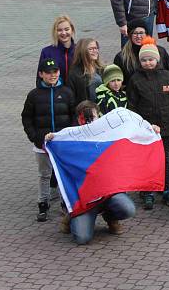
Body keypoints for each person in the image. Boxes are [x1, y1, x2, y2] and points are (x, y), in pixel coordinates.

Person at [46, 101, 137, 243]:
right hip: (84, 199)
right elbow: (53, 152)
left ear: (99, 116)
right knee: (82, 238)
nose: (89, 121)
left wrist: (151, 129)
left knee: (128, 209)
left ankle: (111, 217)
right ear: (78, 119)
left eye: (92, 117)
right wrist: (51, 140)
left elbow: (132, 133)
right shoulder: (71, 138)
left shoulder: (109, 134)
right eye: (84, 118)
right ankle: (70, 215)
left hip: (107, 194)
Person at [126, 37, 169, 210]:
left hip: (165, 127)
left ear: (157, 59)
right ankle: (148, 191)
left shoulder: (167, 76)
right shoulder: (135, 79)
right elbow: (131, 105)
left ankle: (166, 189)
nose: (148, 63)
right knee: (146, 159)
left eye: (151, 59)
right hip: (145, 129)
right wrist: (136, 128)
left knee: (164, 158)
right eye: (144, 60)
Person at [22, 58, 77, 222]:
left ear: (59, 72)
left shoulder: (67, 92)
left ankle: (64, 204)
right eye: (48, 72)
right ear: (41, 74)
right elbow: (27, 118)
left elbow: (74, 116)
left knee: (62, 175)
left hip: (62, 144)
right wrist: (35, 137)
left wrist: (68, 135)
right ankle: (43, 204)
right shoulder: (34, 95)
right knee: (44, 175)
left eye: (55, 72)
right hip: (42, 145)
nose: (52, 75)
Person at [113, 18, 169, 83]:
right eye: (135, 33)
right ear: (130, 35)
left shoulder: (160, 51)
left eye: (141, 33)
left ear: (146, 34)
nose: (138, 36)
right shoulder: (121, 57)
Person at [37, 15, 76, 85]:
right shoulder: (47, 52)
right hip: (55, 93)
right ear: (55, 32)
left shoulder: (80, 50)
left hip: (77, 94)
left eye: (67, 29)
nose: (63, 33)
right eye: (59, 30)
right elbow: (40, 79)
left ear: (72, 30)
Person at [66, 38, 104, 105]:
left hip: (102, 109)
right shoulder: (75, 73)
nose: (95, 51)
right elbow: (71, 98)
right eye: (91, 49)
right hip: (86, 111)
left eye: (96, 48)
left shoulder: (101, 69)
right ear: (82, 52)